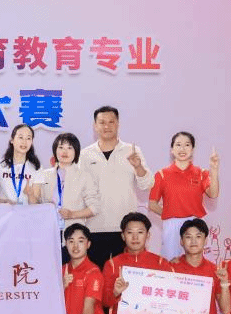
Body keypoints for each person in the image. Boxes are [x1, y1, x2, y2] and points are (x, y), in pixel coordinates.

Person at [81, 107, 154, 270]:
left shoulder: (132, 151)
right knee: (98, 278)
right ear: (95, 125)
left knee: (125, 278)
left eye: (111, 122)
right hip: (94, 227)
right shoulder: (85, 154)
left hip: (125, 230)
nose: (106, 126)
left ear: (118, 124)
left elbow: (147, 184)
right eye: (102, 122)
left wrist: (138, 167)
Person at [148, 132, 220, 261]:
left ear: (192, 149)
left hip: (196, 225)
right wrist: (171, 214)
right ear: (172, 149)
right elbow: (152, 204)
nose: (182, 149)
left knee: (197, 264)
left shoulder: (201, 173)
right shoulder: (161, 175)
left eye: (187, 145)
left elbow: (213, 194)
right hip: (172, 226)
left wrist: (214, 171)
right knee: (171, 263)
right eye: (178, 145)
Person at [30, 133, 100, 233]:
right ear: (55, 150)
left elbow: (94, 208)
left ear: (76, 151)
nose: (65, 151)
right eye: (61, 147)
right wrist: (31, 195)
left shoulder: (85, 176)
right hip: (48, 229)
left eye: (70, 148)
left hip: (73, 231)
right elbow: (37, 204)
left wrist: (72, 214)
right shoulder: (45, 175)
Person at [0, 124, 40, 205]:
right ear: (12, 140)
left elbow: (36, 203)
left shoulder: (36, 167)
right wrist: (4, 201)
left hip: (27, 212)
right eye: (20, 137)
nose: (24, 142)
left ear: (32, 142)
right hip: (4, 211)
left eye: (28, 138)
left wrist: (30, 194)